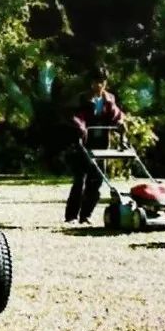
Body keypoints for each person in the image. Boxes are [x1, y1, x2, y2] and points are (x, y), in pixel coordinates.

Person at [65, 66, 125, 224]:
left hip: (101, 144)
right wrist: (81, 127)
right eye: (96, 82)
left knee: (96, 181)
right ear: (91, 83)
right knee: (79, 180)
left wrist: (120, 123)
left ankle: (86, 215)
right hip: (84, 143)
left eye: (102, 82)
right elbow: (76, 116)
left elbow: (116, 114)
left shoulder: (109, 99)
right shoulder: (82, 98)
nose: (99, 85)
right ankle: (71, 216)